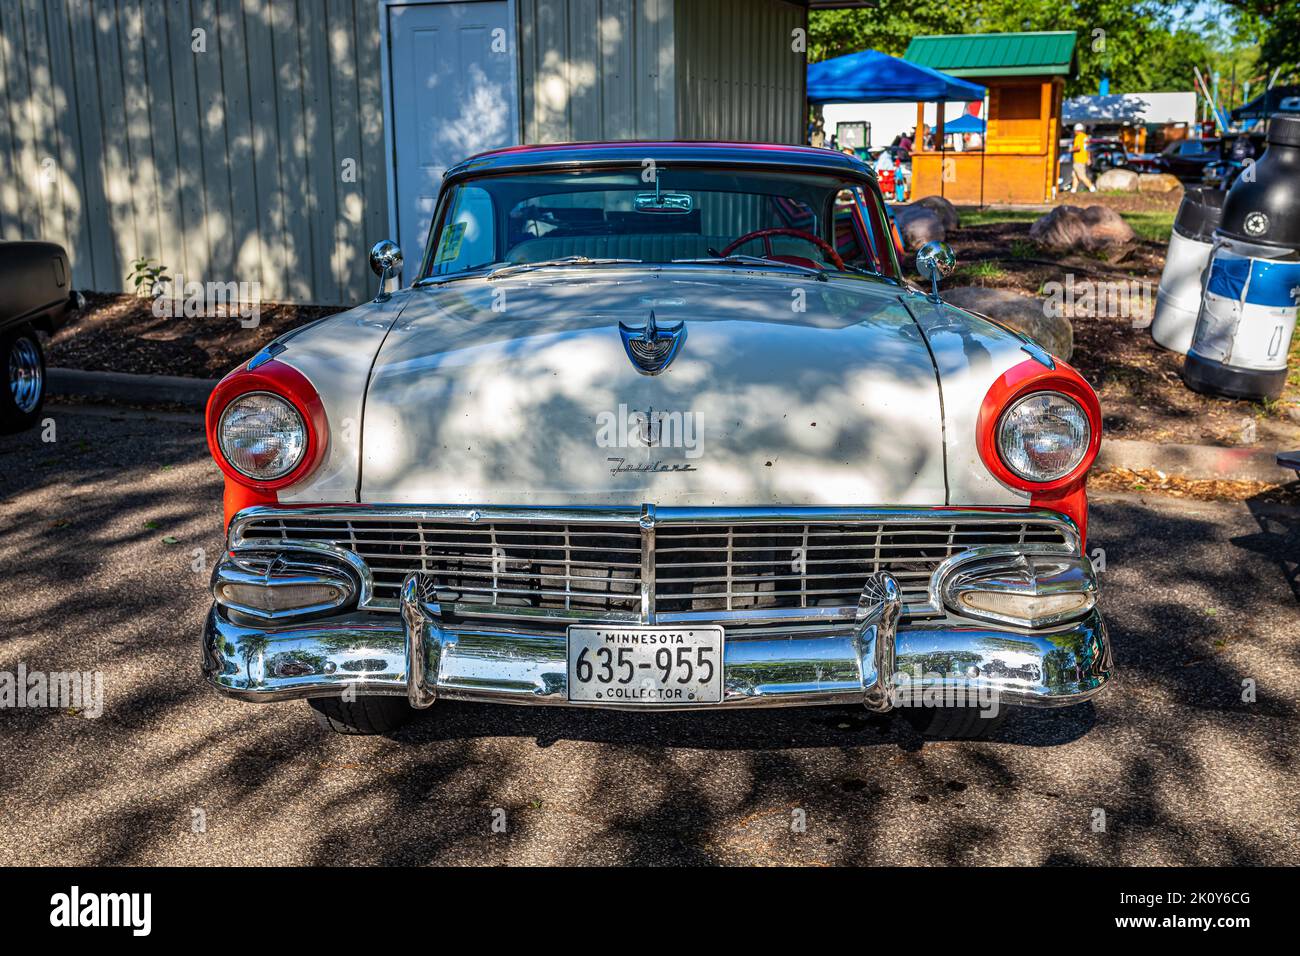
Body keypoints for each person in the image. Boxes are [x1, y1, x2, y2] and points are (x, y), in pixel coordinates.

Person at [1070, 123, 1097, 192]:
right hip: (1083, 158)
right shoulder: (1086, 137)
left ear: (1077, 130)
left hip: (1079, 159)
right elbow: (1088, 149)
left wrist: (1071, 149)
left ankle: (1092, 188)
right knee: (1075, 175)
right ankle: (1073, 189)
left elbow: (1078, 148)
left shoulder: (1078, 137)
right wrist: (1088, 158)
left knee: (1081, 176)